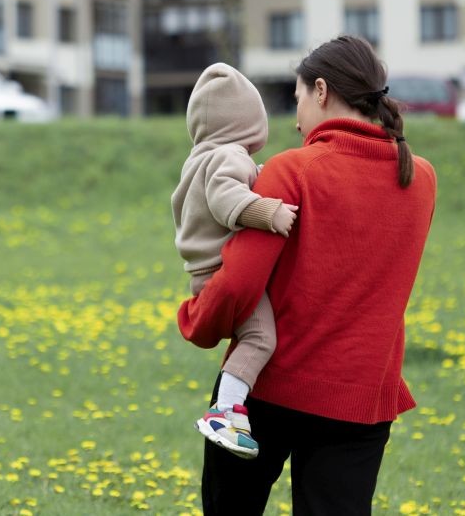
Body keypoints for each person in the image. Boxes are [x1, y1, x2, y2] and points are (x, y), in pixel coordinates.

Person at [177, 36, 438, 515]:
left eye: (297, 100)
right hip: (362, 398)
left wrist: (197, 320)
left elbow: (238, 283)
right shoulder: (420, 178)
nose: (296, 121)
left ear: (321, 91)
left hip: (269, 390)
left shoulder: (291, 170)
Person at [171, 62, 300, 459]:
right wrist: (268, 212)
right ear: (247, 122)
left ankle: (231, 409)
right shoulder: (229, 156)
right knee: (261, 337)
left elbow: (225, 185)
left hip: (202, 272)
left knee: (253, 336)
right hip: (220, 272)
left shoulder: (202, 156)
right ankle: (225, 412)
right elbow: (226, 197)